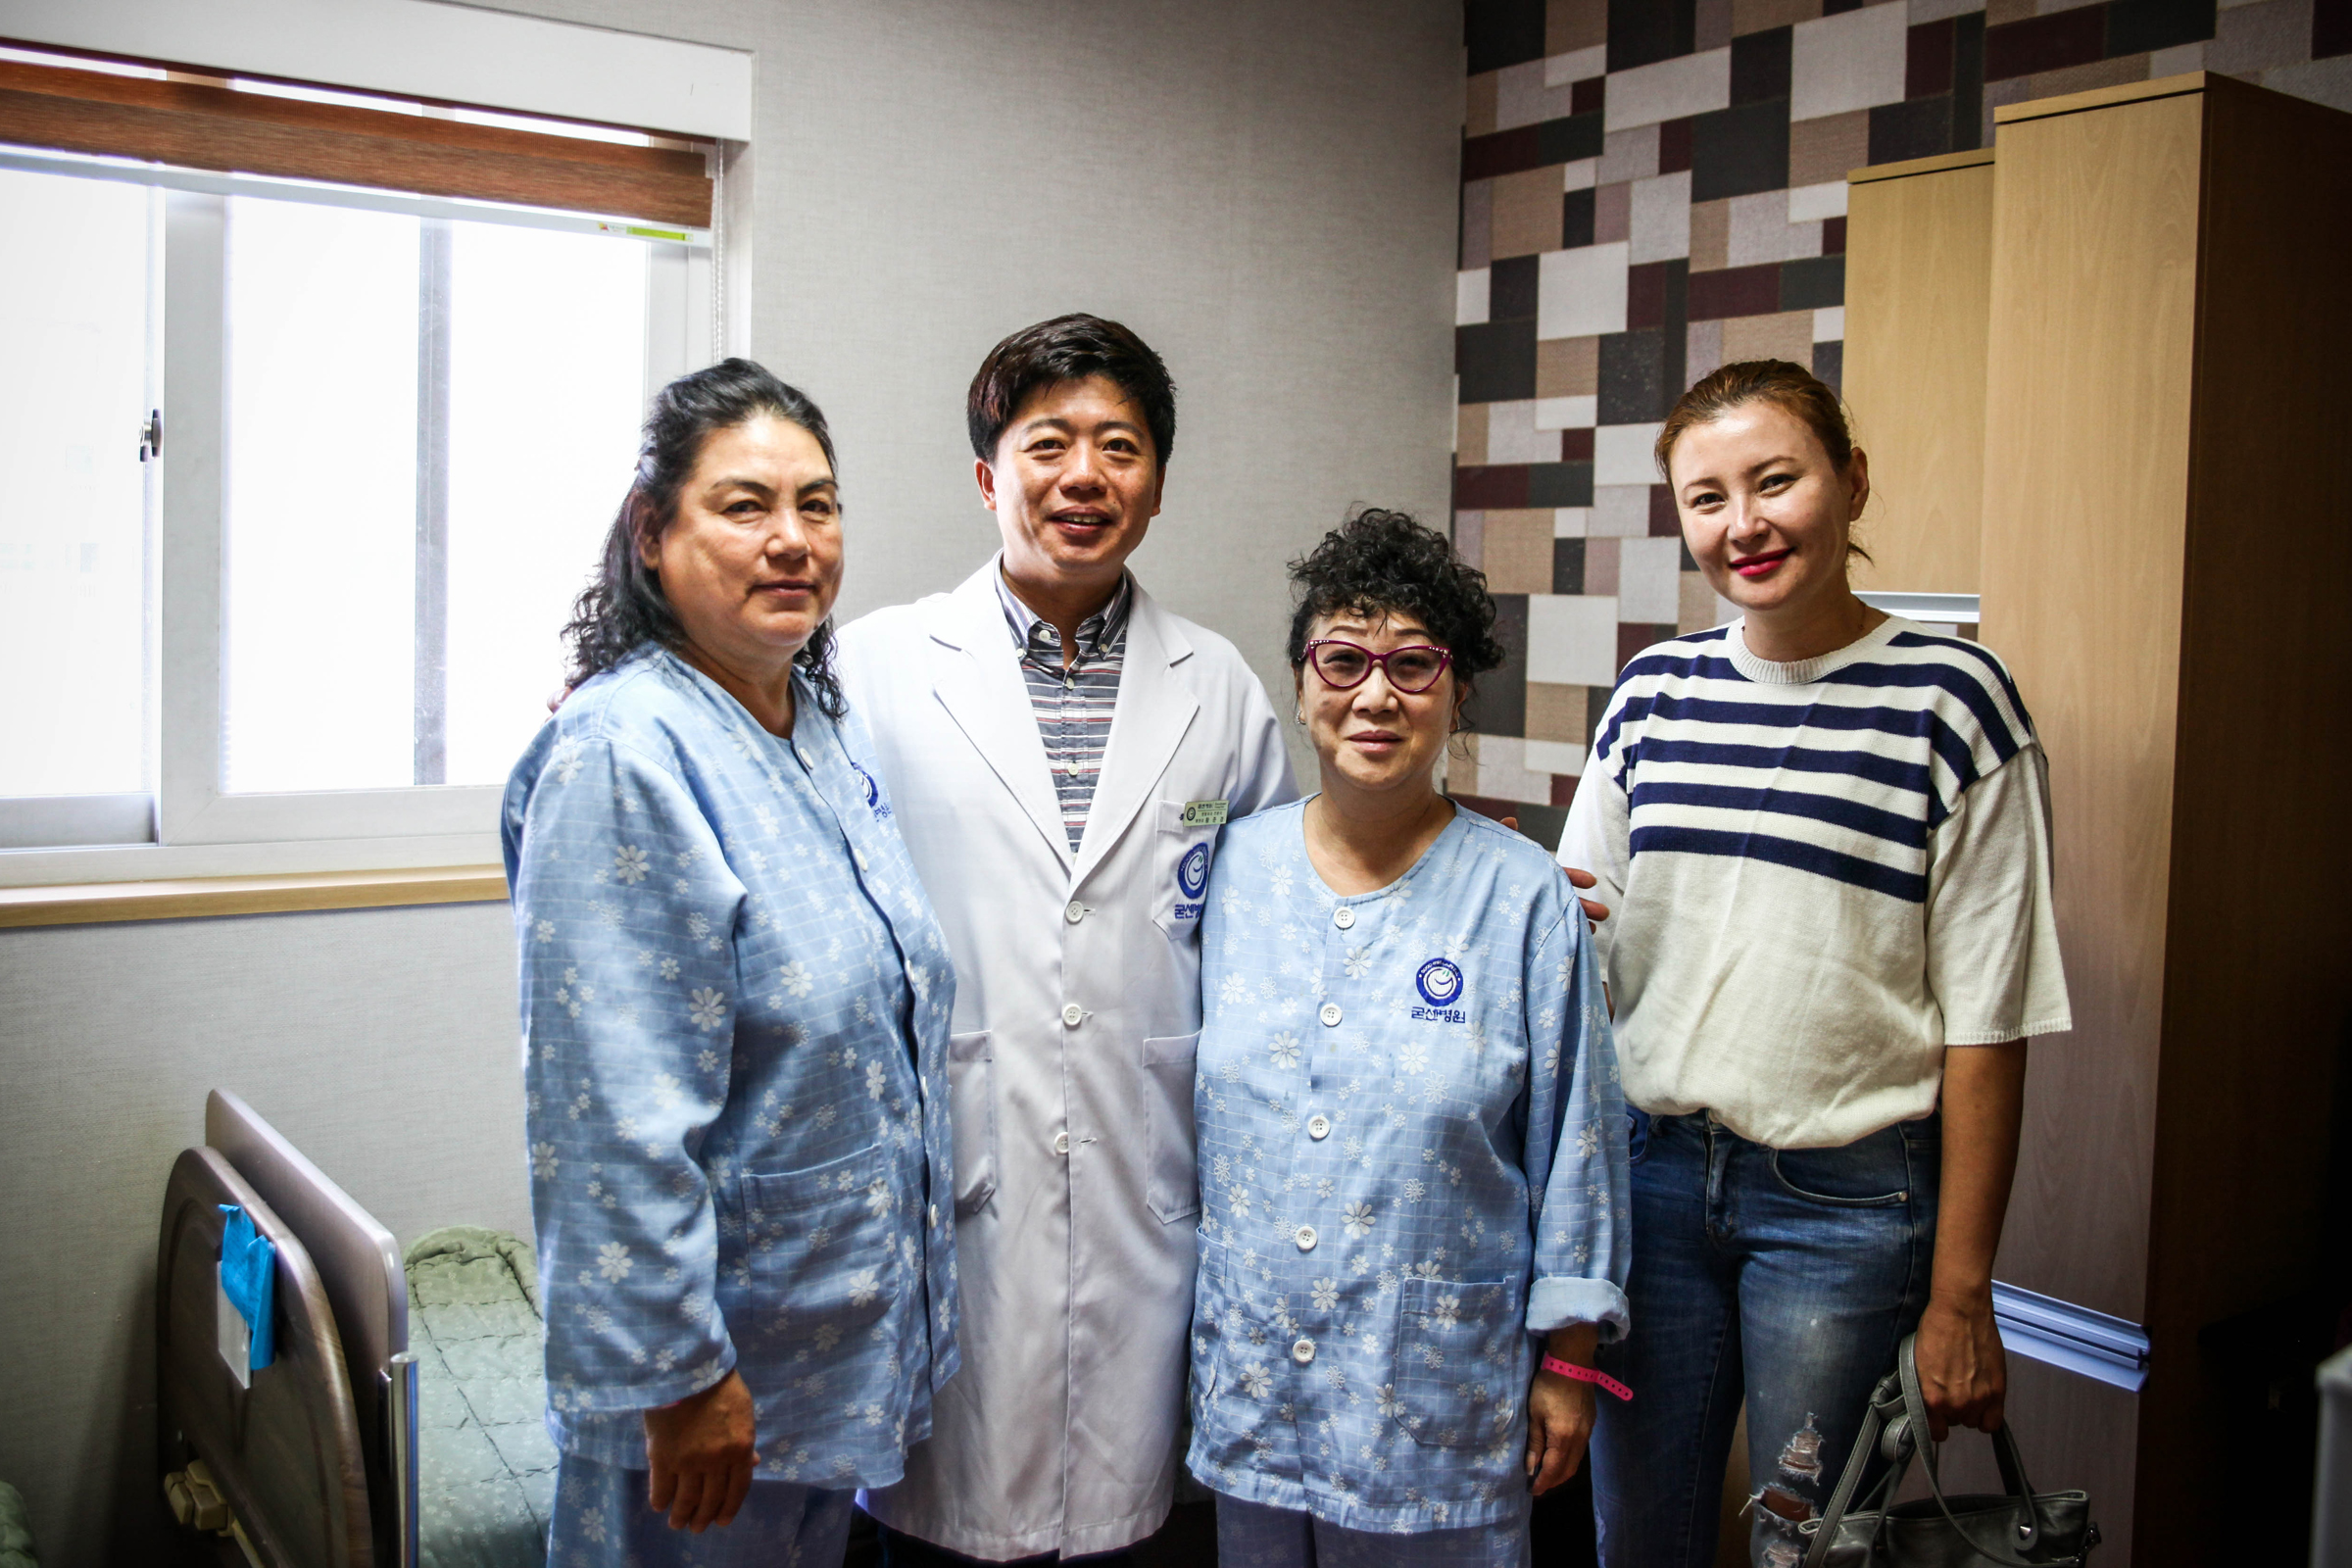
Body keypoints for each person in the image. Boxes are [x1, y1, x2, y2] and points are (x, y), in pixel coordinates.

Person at [1560, 360, 2071, 1567]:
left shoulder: (1955, 702)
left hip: (1847, 1210)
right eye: (1706, 498)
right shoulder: (1653, 693)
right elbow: (1580, 942)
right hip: (1653, 1183)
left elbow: (1988, 1028)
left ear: (1852, 481)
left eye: (1774, 481)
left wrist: (1963, 1296)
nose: (1742, 523)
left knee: (1808, 1550)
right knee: (1638, 1536)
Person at [834, 314, 1297, 1562]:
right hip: (953, 1177)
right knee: (940, 1519)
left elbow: (1277, 915)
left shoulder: (1220, 686)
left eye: (1120, 446)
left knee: (1133, 1525)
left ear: (1158, 485)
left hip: (1149, 1179)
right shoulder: (873, 667)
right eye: (1048, 444)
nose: (1084, 475)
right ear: (989, 477)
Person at [504, 361, 960, 1565]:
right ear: (653, 534)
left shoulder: (814, 722)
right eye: (745, 505)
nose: (793, 539)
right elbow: (609, 1113)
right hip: (708, 1392)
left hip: (821, 1357)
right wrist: (678, 1372)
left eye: (818, 504)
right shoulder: (623, 756)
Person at [1182, 508, 1631, 1567]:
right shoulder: (1228, 873)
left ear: (1457, 691)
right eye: (1343, 660)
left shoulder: (1524, 899)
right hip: (1253, 1387)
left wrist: (1571, 1364)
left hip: (1438, 1400)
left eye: (1414, 664)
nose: (1375, 694)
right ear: (1302, 685)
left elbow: (1580, 1148)